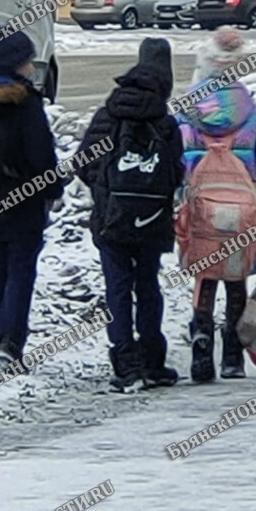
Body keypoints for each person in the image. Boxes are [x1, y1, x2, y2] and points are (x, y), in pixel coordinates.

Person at [77, 38, 183, 393]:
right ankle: (153, 359)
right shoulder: (164, 121)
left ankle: (125, 362)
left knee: (117, 287)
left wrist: (105, 192)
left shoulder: (109, 113)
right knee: (149, 284)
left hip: (111, 217)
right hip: (151, 217)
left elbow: (85, 161)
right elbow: (176, 172)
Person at [177, 28, 256, 381]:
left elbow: (176, 159)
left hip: (201, 207)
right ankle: (233, 357)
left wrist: (183, 198)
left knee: (205, 273)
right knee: (236, 276)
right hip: (243, 208)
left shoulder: (186, 112)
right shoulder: (255, 115)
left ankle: (202, 337)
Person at [0, 30, 64, 366]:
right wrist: (53, 189)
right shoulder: (25, 103)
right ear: (17, 64)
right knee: (20, 268)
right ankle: (10, 341)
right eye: (27, 61)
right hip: (24, 198)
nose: (32, 68)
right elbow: (41, 154)